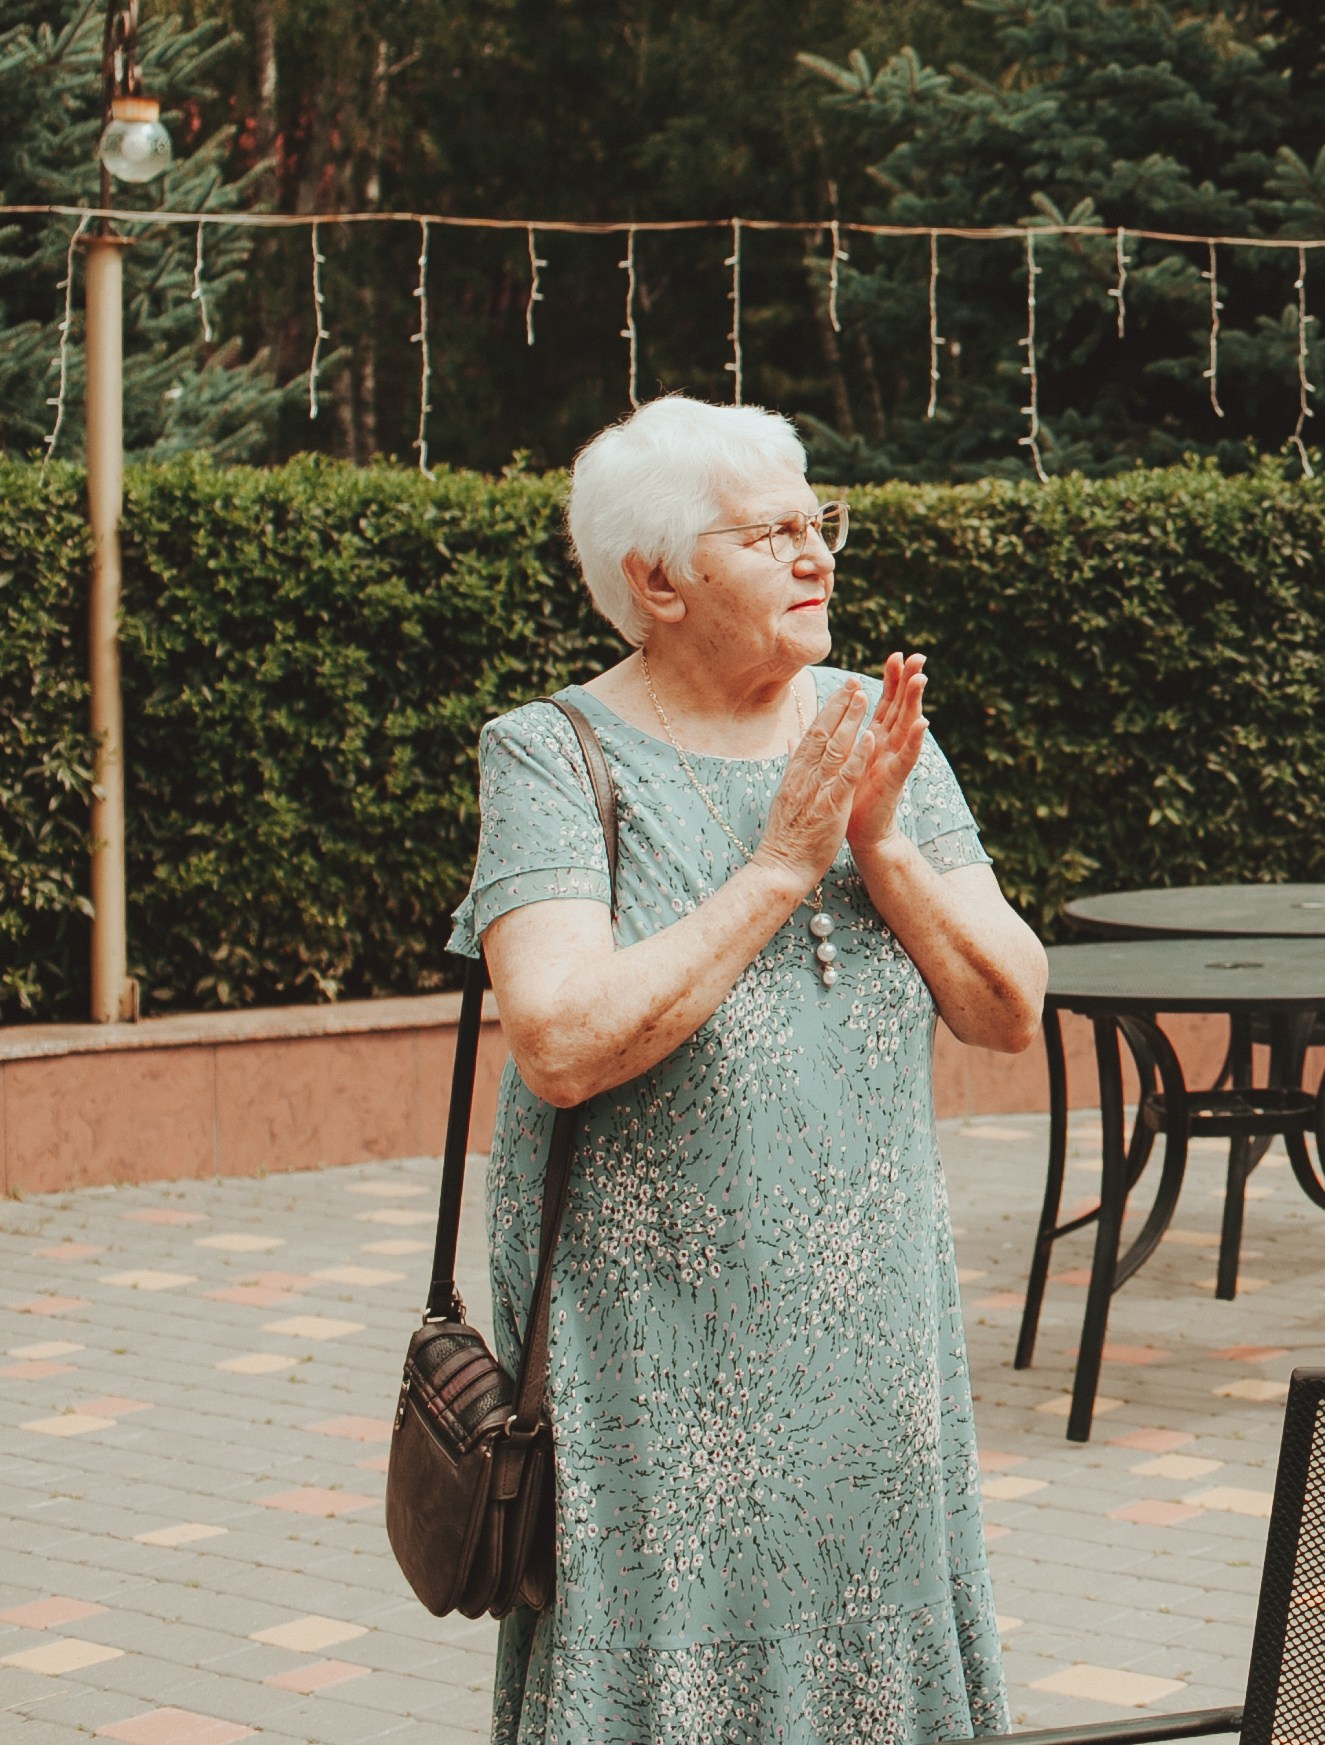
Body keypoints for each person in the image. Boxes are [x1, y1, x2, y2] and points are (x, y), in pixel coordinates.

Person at [449, 394, 1046, 1744]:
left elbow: (1009, 1007)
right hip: (655, 1353)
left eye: (816, 520)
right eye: (768, 531)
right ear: (657, 579)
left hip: (873, 1344)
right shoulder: (551, 752)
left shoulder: (869, 726)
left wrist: (882, 847)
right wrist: (779, 866)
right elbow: (558, 1040)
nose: (816, 554)